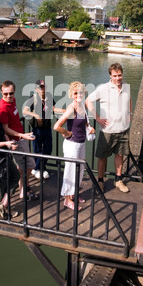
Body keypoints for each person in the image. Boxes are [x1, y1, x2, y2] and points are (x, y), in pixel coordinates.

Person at [86, 63, 132, 194]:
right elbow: (88, 100)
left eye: (120, 75)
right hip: (108, 131)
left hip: (123, 129)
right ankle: (100, 181)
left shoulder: (127, 87)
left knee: (120, 154)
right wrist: (97, 118)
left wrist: (130, 114)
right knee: (102, 156)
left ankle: (118, 180)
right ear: (110, 76)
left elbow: (129, 101)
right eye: (115, 76)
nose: (118, 78)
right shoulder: (103, 88)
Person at [54, 81, 95, 210]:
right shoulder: (71, 108)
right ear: (72, 94)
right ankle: (66, 200)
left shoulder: (82, 105)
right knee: (70, 172)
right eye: (76, 92)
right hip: (72, 145)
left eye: (81, 92)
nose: (79, 94)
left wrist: (90, 127)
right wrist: (67, 133)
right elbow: (57, 126)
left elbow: (85, 123)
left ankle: (73, 194)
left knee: (80, 169)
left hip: (81, 143)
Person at [0, 80, 37, 201]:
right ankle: (24, 189)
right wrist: (21, 136)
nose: (9, 96)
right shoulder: (2, 109)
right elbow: (5, 129)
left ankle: (24, 188)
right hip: (16, 141)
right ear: (1, 92)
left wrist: (23, 135)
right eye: (5, 94)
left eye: (11, 93)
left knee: (21, 166)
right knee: (31, 165)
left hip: (21, 138)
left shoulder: (13, 101)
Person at [23, 79, 64, 179]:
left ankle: (39, 167)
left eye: (43, 87)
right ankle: (37, 168)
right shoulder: (33, 98)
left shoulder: (49, 97)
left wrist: (64, 111)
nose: (42, 89)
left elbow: (54, 109)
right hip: (37, 129)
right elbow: (25, 110)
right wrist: (36, 115)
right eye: (40, 87)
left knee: (48, 149)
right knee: (38, 149)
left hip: (47, 127)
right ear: (36, 89)